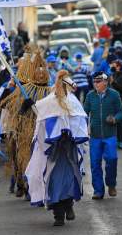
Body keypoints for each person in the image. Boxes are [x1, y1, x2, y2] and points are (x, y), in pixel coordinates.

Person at [25, 70, 88, 226]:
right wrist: (31, 106)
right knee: (52, 181)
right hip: (52, 151)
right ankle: (58, 214)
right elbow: (41, 115)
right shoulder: (49, 101)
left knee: (68, 179)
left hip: (69, 150)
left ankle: (68, 206)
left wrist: (69, 133)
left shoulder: (73, 102)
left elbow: (79, 123)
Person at [0, 49, 51, 199]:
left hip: (38, 129)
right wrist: (11, 86)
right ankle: (21, 184)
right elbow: (3, 104)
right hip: (19, 129)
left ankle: (33, 188)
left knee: (35, 159)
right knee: (19, 157)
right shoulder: (18, 87)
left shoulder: (44, 88)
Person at [84, 71, 122, 199]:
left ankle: (111, 184)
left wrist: (114, 119)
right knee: (95, 163)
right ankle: (98, 190)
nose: (95, 84)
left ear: (105, 82)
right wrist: (84, 127)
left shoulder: (114, 95)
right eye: (94, 81)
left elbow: (121, 112)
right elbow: (84, 113)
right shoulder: (90, 96)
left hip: (110, 135)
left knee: (112, 159)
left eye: (98, 81)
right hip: (95, 136)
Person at [110, 60, 122, 150]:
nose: (113, 67)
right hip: (113, 103)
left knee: (121, 122)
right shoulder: (112, 75)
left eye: (115, 66)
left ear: (119, 66)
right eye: (113, 66)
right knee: (114, 122)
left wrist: (113, 82)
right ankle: (117, 141)